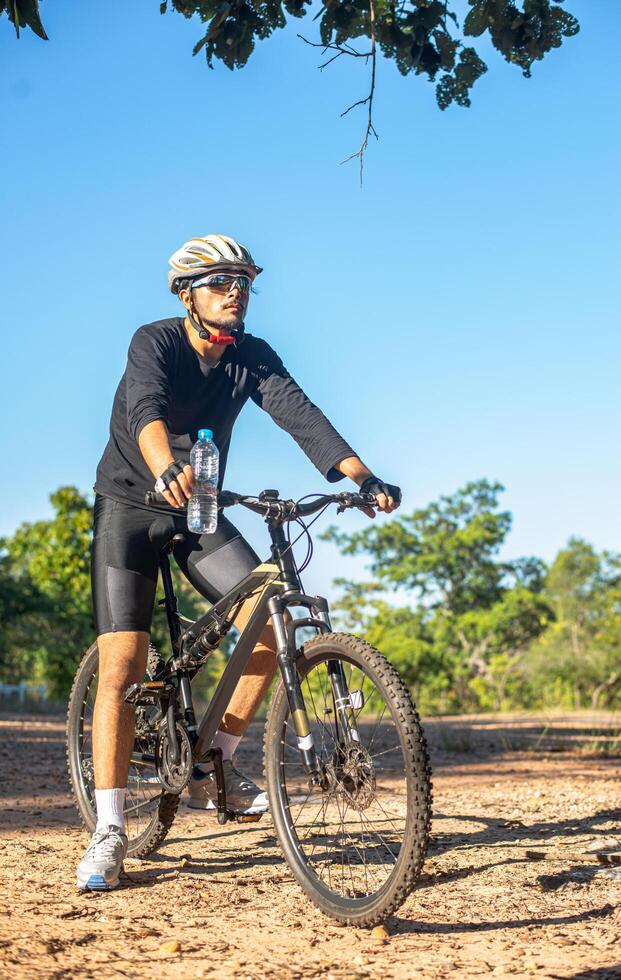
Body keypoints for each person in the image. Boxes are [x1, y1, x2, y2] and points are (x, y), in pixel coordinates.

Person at [76, 233, 401, 890]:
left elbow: (300, 415)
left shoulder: (250, 356)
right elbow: (144, 408)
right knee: (122, 666)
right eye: (221, 281)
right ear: (187, 294)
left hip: (198, 510)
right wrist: (164, 461)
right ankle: (109, 830)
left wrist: (362, 478)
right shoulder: (155, 341)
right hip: (131, 508)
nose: (236, 291)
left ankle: (213, 768)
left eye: (244, 281)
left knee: (264, 608)